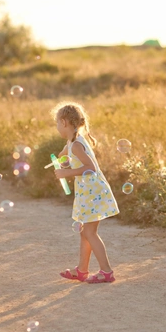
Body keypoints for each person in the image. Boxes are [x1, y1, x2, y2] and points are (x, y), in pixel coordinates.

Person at [51, 101, 119, 284]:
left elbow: (90, 168)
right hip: (89, 193)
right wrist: (63, 162)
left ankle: (106, 272)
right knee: (85, 232)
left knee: (89, 233)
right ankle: (82, 270)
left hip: (93, 193)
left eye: (57, 123)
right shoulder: (73, 142)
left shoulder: (76, 145)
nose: (57, 127)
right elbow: (65, 157)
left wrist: (67, 172)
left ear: (64, 122)